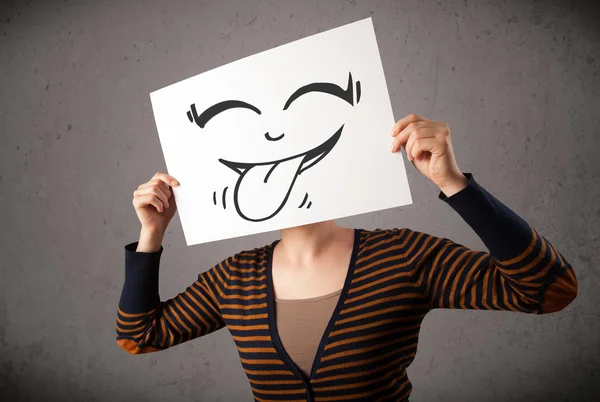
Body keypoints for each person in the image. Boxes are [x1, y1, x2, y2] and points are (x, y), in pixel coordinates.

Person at [116, 113, 578, 402]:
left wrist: (454, 182)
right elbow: (140, 336)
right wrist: (151, 233)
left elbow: (550, 289)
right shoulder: (236, 277)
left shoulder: (403, 255)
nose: (277, 145)